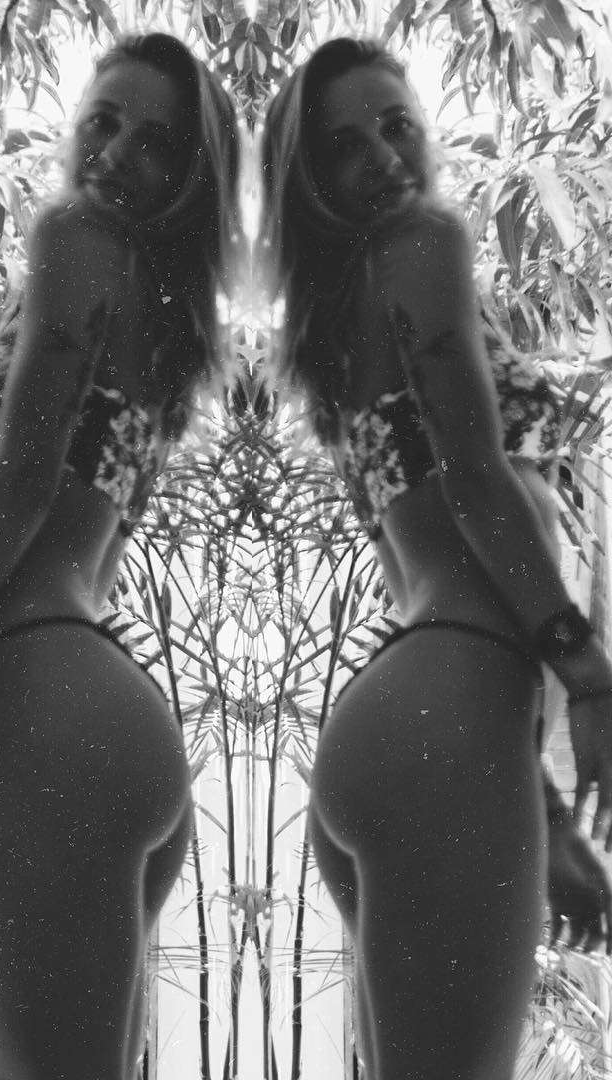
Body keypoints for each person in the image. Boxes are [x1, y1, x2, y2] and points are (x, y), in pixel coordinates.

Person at [0, 32, 248, 1079]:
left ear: (193, 180)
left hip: (50, 718)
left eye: (156, 144)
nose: (116, 155)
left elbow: (27, 473)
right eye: (105, 123)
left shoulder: (77, 237)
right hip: (93, 716)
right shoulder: (163, 311)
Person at [257, 37, 612, 1079]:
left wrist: (542, 809)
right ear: (308, 182)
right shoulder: (425, 242)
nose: (383, 157)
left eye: (396, 126)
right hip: (450, 725)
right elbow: (474, 477)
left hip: (416, 723)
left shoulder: (341, 316)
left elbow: (430, 562)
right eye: (343, 146)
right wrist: (587, 674)